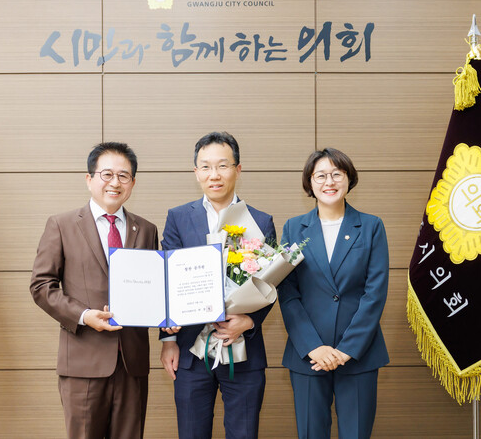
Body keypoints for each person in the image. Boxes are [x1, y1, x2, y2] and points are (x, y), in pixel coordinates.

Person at [30, 142, 158, 439]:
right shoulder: (61, 225)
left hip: (132, 363)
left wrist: (168, 316)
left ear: (133, 183)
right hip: (83, 362)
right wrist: (84, 315)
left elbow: (153, 287)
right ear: (89, 179)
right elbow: (41, 285)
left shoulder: (147, 230)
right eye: (107, 174)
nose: (115, 182)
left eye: (124, 176)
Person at [159, 131, 276, 439]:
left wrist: (249, 321)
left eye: (223, 166)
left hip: (243, 349)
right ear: (196, 172)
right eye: (206, 167)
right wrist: (168, 341)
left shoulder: (260, 221)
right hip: (190, 351)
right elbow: (167, 279)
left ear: (238, 169)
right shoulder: (178, 218)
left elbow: (271, 282)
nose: (215, 175)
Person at [278, 148, 389, 439]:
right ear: (310, 182)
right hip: (309, 355)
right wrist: (313, 346)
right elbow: (287, 292)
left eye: (337, 174)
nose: (329, 182)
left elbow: (375, 293)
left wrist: (346, 350)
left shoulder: (371, 226)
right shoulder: (293, 228)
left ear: (348, 179)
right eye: (321, 176)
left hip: (359, 354)